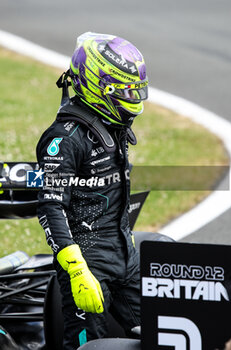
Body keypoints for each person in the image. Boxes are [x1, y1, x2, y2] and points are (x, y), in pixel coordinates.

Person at [36, 32, 148, 349]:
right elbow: (50, 206)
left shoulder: (114, 125)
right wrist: (75, 268)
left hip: (127, 260)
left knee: (163, 333)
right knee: (87, 346)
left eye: (136, 89)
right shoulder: (64, 139)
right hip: (87, 266)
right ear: (100, 88)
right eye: (126, 90)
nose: (133, 97)